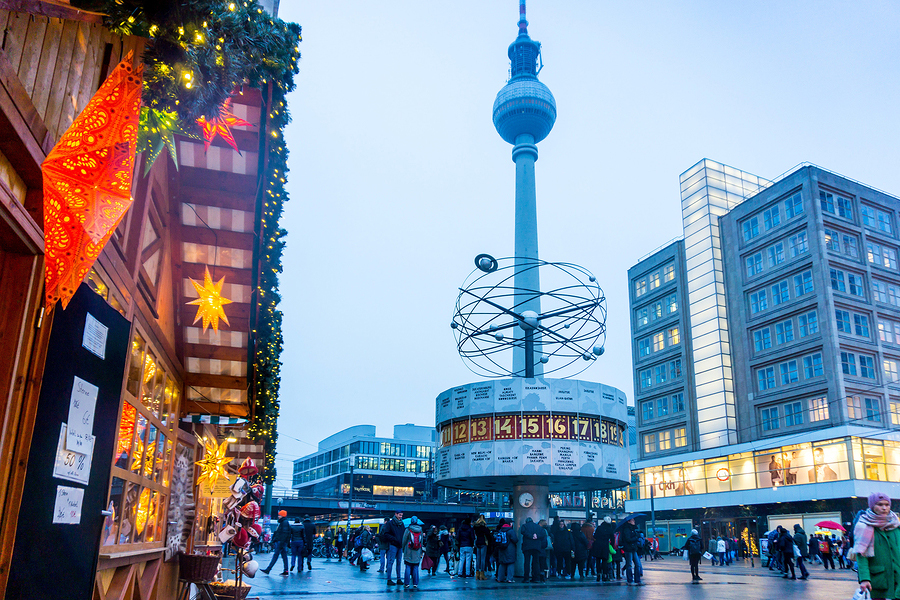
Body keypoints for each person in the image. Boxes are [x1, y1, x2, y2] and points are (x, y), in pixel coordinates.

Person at [853, 492, 900, 600]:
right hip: (879, 580)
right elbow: (862, 555)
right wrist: (864, 579)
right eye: (880, 504)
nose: (884, 508)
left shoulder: (896, 525)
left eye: (887, 505)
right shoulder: (864, 526)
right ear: (872, 506)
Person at [262, 510, 291, 576]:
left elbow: (283, 533)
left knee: (276, 556)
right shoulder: (284, 522)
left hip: (281, 542)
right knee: (284, 556)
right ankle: (285, 570)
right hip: (282, 542)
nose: (278, 516)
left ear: (282, 516)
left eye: (279, 515)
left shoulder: (283, 523)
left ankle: (268, 569)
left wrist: (280, 542)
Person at [383, 510, 406, 585]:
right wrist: (394, 539)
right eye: (399, 515)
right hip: (393, 545)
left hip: (399, 545)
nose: (401, 517)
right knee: (391, 562)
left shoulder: (401, 524)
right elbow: (386, 534)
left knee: (398, 562)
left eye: (401, 515)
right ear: (395, 514)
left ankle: (398, 578)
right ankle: (389, 579)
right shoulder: (390, 523)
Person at [401, 516, 425, 589]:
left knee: (407, 566)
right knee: (415, 567)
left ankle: (407, 583)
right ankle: (415, 583)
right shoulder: (420, 530)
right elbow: (421, 542)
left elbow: (404, 540)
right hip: (417, 551)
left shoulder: (408, 529)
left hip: (408, 550)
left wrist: (403, 549)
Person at [520, 516, 545, 583]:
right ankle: (536, 578)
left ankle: (526, 578)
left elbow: (522, 532)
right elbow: (543, 534)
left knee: (527, 562)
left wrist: (530, 536)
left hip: (527, 547)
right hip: (536, 547)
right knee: (536, 562)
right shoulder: (538, 527)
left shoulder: (524, 526)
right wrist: (536, 536)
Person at [621, 517, 643, 585]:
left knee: (637, 564)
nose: (634, 521)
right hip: (628, 548)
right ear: (629, 521)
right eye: (632, 520)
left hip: (633, 548)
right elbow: (628, 539)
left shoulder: (634, 529)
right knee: (629, 564)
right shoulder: (627, 529)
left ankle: (637, 579)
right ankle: (630, 580)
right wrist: (636, 537)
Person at [495, 518, 518, 583]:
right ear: (510, 523)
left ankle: (500, 578)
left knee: (502, 564)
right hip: (510, 550)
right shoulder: (511, 531)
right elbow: (515, 540)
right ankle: (509, 579)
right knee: (510, 563)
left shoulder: (501, 530)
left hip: (502, 550)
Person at [594, 516, 614, 582]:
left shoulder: (599, 528)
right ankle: (604, 574)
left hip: (598, 545)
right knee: (605, 560)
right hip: (605, 545)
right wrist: (611, 545)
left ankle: (598, 574)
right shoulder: (610, 529)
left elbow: (595, 536)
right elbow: (612, 539)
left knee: (598, 560)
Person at [474, 515, 490, 580]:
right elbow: (488, 535)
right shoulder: (484, 528)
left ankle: (477, 574)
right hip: (483, 543)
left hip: (477, 543)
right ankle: (482, 574)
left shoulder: (476, 528)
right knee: (483, 559)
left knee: (478, 559)